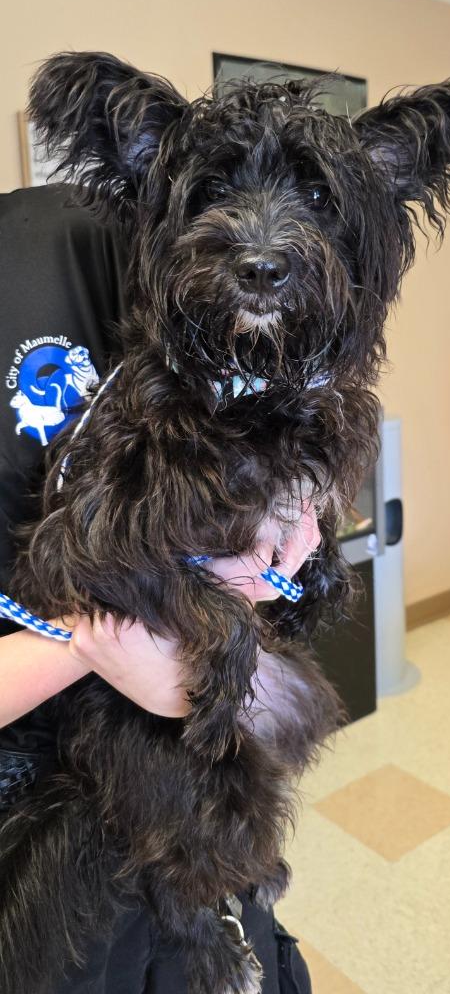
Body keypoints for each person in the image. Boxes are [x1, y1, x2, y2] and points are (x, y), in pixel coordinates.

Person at [0, 182, 315, 993]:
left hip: (193, 757)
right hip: (36, 809)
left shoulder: (76, 233)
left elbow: (253, 394)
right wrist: (101, 647)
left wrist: (291, 517)